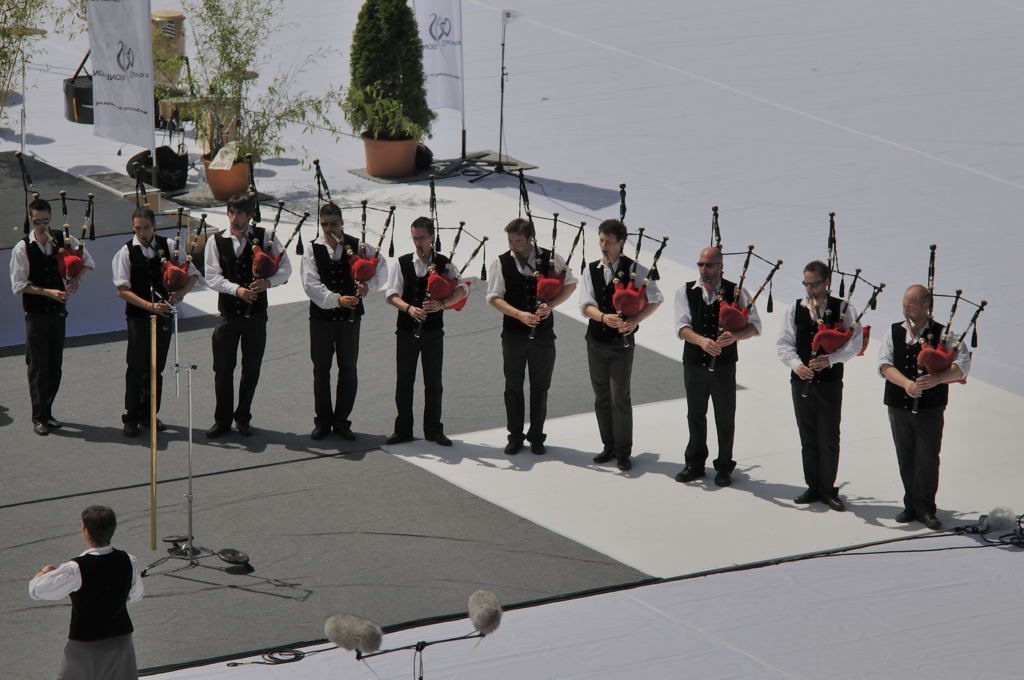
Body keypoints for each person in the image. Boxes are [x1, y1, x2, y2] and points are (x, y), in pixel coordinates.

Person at [878, 284, 970, 530]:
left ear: (925, 306)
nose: (905, 308)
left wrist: (938, 379)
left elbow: (963, 364)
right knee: (905, 456)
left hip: (930, 408)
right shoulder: (895, 331)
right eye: (904, 303)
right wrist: (906, 383)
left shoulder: (943, 334)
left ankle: (926, 507)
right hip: (899, 405)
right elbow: (884, 365)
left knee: (927, 458)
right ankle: (911, 504)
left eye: (910, 304)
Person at [486, 217, 577, 455]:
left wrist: (552, 305)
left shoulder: (550, 257)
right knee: (513, 386)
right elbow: (494, 297)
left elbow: (570, 283)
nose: (512, 245)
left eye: (517, 241)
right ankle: (515, 436)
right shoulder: (501, 262)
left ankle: (537, 435)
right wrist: (520, 315)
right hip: (514, 335)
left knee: (540, 387)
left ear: (529, 239)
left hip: (544, 337)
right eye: (509, 240)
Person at [204, 192, 291, 438]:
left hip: (256, 317)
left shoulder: (267, 238)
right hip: (228, 315)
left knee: (251, 368)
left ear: (250, 216)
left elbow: (286, 269)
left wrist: (268, 283)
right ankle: (222, 420)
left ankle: (243, 417)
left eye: (240, 213)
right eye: (231, 212)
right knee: (222, 369)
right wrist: (237, 290)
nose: (234, 218)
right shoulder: (216, 241)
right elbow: (212, 276)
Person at [777, 260, 862, 511]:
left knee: (829, 436)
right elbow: (784, 344)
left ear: (827, 283)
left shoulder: (844, 309)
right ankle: (813, 485)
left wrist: (831, 360)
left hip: (829, 383)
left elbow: (854, 344)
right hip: (801, 381)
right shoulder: (795, 309)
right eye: (806, 284)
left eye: (814, 284)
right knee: (808, 435)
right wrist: (797, 365)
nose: (809, 289)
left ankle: (828, 487)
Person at [674, 246, 762, 487]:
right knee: (695, 414)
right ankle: (694, 462)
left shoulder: (737, 292)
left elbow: (755, 326)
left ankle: (724, 465)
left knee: (724, 416)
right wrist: (702, 341)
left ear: (721, 266)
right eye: (701, 265)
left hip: (724, 366)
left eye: (709, 265)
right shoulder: (686, 290)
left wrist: (734, 336)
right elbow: (681, 327)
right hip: (694, 363)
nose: (704, 270)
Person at [579, 219, 663, 471]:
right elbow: (586, 304)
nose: (603, 245)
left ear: (621, 243)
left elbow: (655, 298)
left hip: (621, 344)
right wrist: (604, 317)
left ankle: (624, 450)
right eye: (601, 240)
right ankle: (609, 445)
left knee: (620, 397)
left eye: (609, 241)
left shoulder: (636, 269)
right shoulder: (590, 269)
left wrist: (635, 320)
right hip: (595, 340)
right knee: (601, 395)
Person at [301, 202, 388, 441]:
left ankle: (342, 421)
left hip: (350, 320)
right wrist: (337, 299)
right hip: (321, 319)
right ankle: (323, 421)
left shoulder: (357, 246)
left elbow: (381, 267)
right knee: (321, 370)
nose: (329, 229)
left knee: (348, 369)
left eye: (334, 224)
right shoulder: (312, 249)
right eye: (325, 224)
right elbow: (310, 284)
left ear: (342, 223)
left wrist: (369, 286)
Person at [9, 197, 94, 436]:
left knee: (55, 363)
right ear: (31, 220)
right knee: (37, 364)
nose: (42, 226)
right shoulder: (23, 248)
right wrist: (48, 292)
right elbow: (19, 284)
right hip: (35, 313)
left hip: (57, 312)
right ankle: (39, 416)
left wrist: (76, 279)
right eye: (38, 222)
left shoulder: (63, 240)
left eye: (46, 220)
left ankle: (48, 410)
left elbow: (87, 261)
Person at [112, 206, 199, 437]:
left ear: (154, 226)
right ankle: (131, 417)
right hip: (139, 318)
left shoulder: (169, 246)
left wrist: (180, 294)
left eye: (147, 227)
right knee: (136, 367)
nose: (142, 232)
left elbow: (192, 275)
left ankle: (150, 415)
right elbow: (121, 290)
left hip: (163, 318)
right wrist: (150, 306)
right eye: (138, 228)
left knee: (156, 368)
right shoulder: (126, 252)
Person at [29, 505, 144, 680]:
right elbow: (135, 594)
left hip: (87, 645)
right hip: (121, 641)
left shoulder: (76, 568)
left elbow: (37, 591)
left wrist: (43, 573)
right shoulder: (128, 560)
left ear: (86, 531)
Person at [384, 216, 469, 446]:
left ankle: (433, 430)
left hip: (433, 333)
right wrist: (409, 309)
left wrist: (442, 304)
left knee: (433, 383)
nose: (418, 243)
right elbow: (391, 294)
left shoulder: (445, 263)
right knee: (404, 382)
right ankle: (403, 430)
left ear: (432, 237)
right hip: (406, 331)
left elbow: (462, 290)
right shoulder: (402, 263)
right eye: (414, 238)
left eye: (421, 238)